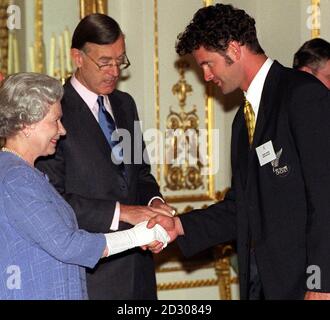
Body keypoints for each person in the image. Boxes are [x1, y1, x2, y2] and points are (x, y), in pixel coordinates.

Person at [147, 4, 330, 300]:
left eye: (208, 64)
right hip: (261, 284)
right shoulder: (241, 121)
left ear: (234, 48)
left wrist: (322, 282)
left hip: (306, 285)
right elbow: (241, 206)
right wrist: (178, 225)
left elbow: (326, 198)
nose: (206, 76)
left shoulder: (302, 95)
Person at [36, 14, 174, 300]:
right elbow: (53, 200)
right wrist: (122, 212)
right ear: (77, 57)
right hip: (90, 276)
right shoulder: (53, 110)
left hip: (139, 272)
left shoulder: (125, 104)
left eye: (120, 61)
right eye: (104, 62)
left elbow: (141, 174)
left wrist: (154, 203)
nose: (114, 71)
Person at [0, 73, 169, 300]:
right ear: (26, 124)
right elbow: (69, 245)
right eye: (55, 121)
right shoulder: (15, 179)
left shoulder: (26, 174)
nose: (62, 130)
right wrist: (138, 237)